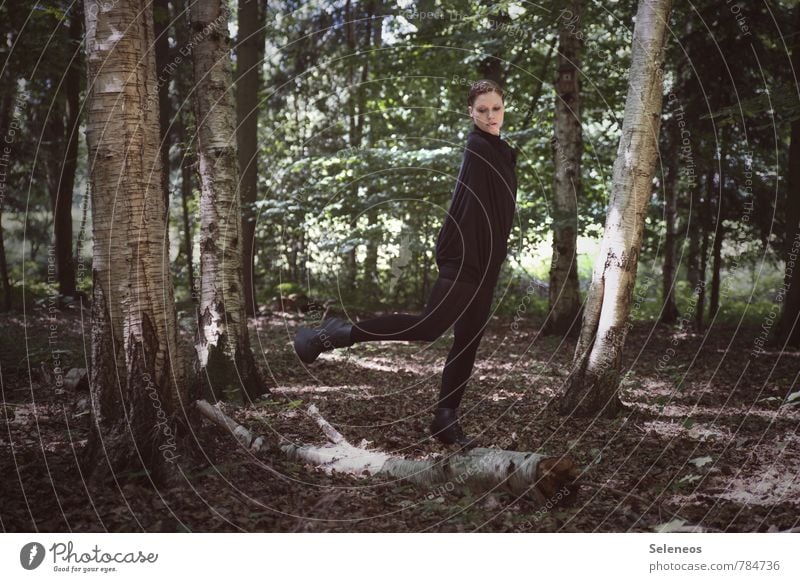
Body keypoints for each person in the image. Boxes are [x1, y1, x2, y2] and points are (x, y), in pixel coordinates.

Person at [294, 79, 518, 449]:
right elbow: (469, 208)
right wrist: (463, 253)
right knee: (430, 327)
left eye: (496, 108)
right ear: (470, 112)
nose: (490, 116)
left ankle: (446, 418)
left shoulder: (501, 149)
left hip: (487, 261)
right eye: (482, 110)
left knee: (468, 340)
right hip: (466, 258)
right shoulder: (478, 147)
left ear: (503, 108)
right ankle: (332, 334)